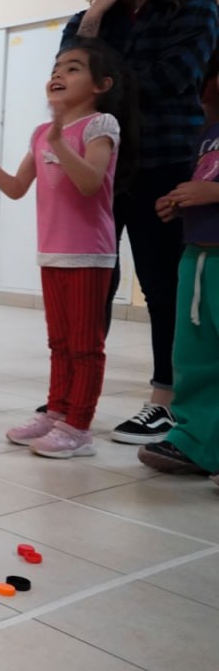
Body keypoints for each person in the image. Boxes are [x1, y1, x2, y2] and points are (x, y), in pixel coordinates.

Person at [61, 0, 219, 444]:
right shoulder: (96, 17)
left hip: (166, 160)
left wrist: (99, 84)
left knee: (162, 284)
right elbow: (66, 80)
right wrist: (92, 21)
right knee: (91, 284)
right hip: (101, 167)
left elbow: (175, 77)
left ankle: (166, 399)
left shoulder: (194, 3)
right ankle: (78, 394)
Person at [0, 39, 132, 458]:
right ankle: (56, 412)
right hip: (51, 252)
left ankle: (79, 428)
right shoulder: (40, 134)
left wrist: (61, 141)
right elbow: (16, 189)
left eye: (72, 68)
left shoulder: (101, 125)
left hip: (89, 252)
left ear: (102, 84)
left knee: (86, 345)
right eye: (56, 68)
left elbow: (90, 185)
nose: (58, 75)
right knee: (60, 342)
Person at [139, 51, 219, 483]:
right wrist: (179, 203)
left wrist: (212, 195)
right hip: (198, 258)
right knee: (194, 355)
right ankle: (195, 441)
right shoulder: (207, 134)